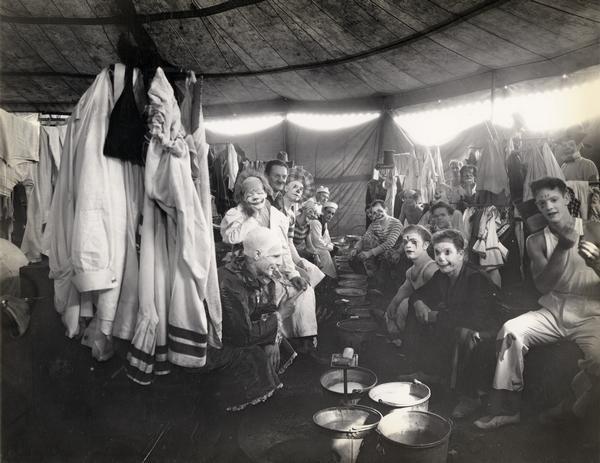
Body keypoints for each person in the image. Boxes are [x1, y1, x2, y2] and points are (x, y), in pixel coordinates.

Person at [475, 177, 600, 429]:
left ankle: (573, 406)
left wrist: (597, 263)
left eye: (553, 199)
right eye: (542, 203)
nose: (549, 207)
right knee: (512, 330)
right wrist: (564, 247)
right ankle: (509, 409)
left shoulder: (595, 228)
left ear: (566, 198)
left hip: (593, 313)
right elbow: (543, 285)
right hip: (554, 310)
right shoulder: (536, 241)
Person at [405, 229, 505, 419]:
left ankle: (470, 397)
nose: (441, 258)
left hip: (487, 330)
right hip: (459, 321)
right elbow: (419, 294)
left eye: (447, 252)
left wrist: (437, 316)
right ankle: (430, 372)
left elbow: (476, 317)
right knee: (419, 312)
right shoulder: (442, 276)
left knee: (464, 333)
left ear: (461, 254)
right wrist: (419, 303)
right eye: (437, 253)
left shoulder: (475, 278)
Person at [220, 170, 318, 345]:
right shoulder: (236, 214)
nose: (256, 195)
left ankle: (303, 340)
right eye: (250, 192)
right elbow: (231, 238)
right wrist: (251, 214)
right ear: (242, 195)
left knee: (304, 290)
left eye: (259, 190)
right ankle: (272, 340)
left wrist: (293, 274)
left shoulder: (278, 216)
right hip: (249, 270)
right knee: (273, 296)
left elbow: (284, 248)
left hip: (275, 268)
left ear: (265, 190)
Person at [211, 227, 296, 411]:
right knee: (254, 356)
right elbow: (242, 336)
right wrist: (280, 316)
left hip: (236, 332)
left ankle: (268, 391)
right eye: (275, 256)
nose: (280, 262)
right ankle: (250, 409)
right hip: (216, 348)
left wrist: (272, 338)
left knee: (279, 343)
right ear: (257, 254)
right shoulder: (229, 282)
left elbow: (261, 308)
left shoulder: (247, 269)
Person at [384, 225, 437, 348]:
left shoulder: (431, 270)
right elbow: (399, 295)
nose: (408, 245)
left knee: (406, 304)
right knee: (395, 308)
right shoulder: (411, 271)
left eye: (414, 242)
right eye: (405, 242)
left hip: (432, 324)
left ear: (425, 245)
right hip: (417, 322)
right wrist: (392, 307)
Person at [350, 200, 403, 277]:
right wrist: (356, 248)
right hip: (383, 250)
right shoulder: (374, 224)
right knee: (368, 239)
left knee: (384, 256)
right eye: (374, 212)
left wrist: (369, 253)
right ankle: (371, 272)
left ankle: (384, 275)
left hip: (396, 251)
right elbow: (365, 237)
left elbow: (390, 243)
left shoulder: (396, 223)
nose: (378, 214)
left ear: (386, 210)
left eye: (380, 211)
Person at [307, 201, 338, 279]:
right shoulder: (316, 222)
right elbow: (317, 242)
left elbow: (327, 239)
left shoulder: (324, 223)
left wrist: (332, 246)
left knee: (333, 251)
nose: (330, 215)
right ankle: (327, 278)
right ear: (323, 211)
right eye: (329, 212)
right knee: (325, 253)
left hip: (317, 246)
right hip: (310, 247)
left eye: (332, 214)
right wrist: (331, 247)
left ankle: (333, 275)